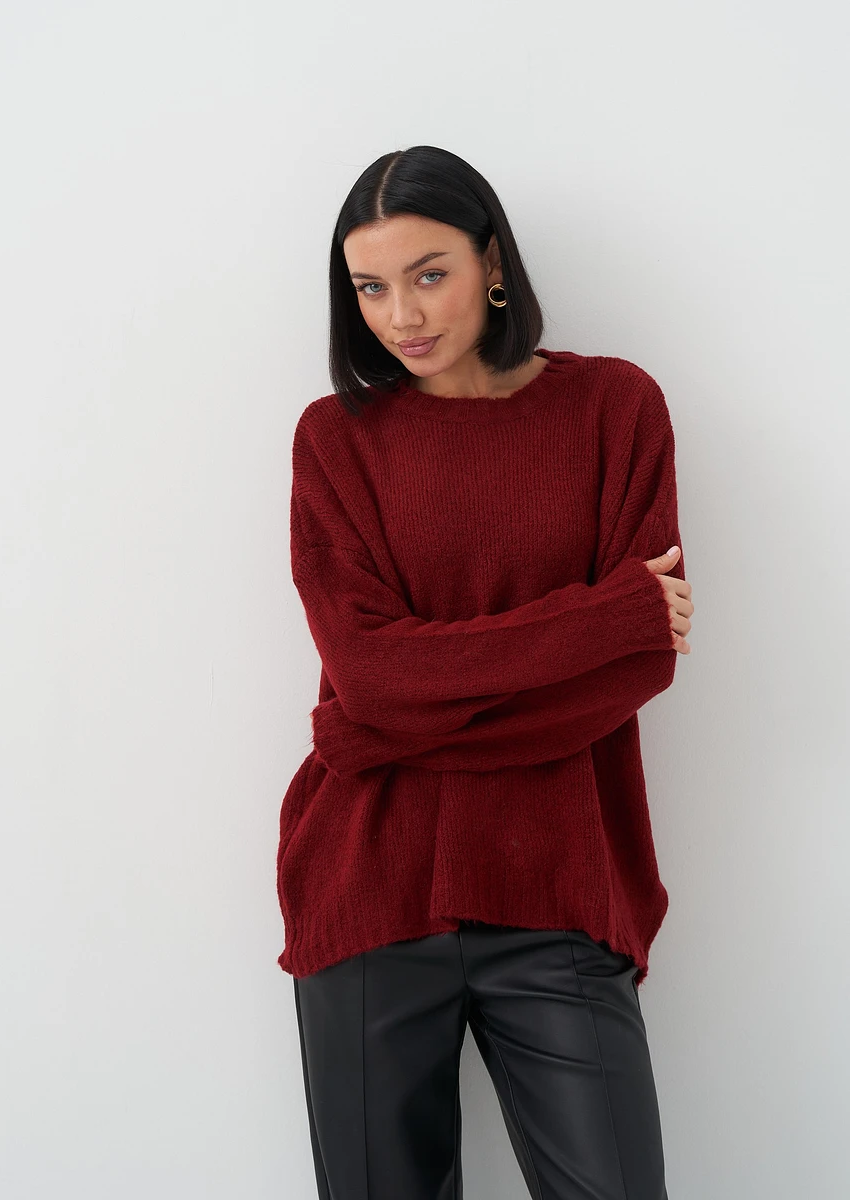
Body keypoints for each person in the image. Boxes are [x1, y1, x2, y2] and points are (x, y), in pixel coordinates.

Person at [276, 144, 694, 1200]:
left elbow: (640, 661)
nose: (402, 316)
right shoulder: (337, 440)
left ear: (492, 262)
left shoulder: (616, 410)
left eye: (430, 274)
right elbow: (367, 673)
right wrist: (601, 615)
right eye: (370, 287)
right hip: (370, 890)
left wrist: (378, 725)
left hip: (560, 890)